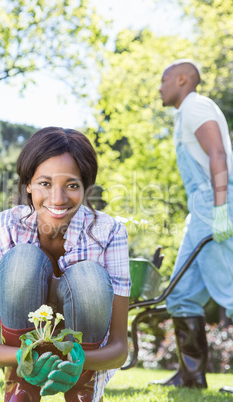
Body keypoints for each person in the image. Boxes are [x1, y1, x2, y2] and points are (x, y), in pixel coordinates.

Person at [0, 127, 131, 402]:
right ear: (28, 184)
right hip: (20, 355)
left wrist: (81, 362)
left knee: (90, 276)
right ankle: (22, 388)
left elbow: (119, 348)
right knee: (22, 259)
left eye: (71, 185)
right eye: (45, 183)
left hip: (83, 360)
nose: (57, 199)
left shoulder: (109, 232)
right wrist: (22, 356)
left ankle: (82, 389)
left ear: (85, 187)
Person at [154, 59, 233, 392]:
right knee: (182, 294)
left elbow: (217, 154)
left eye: (164, 79)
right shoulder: (184, 113)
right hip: (200, 211)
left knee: (230, 289)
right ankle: (192, 376)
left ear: (183, 79)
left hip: (215, 206)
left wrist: (219, 209)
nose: (160, 86)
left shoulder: (196, 106)